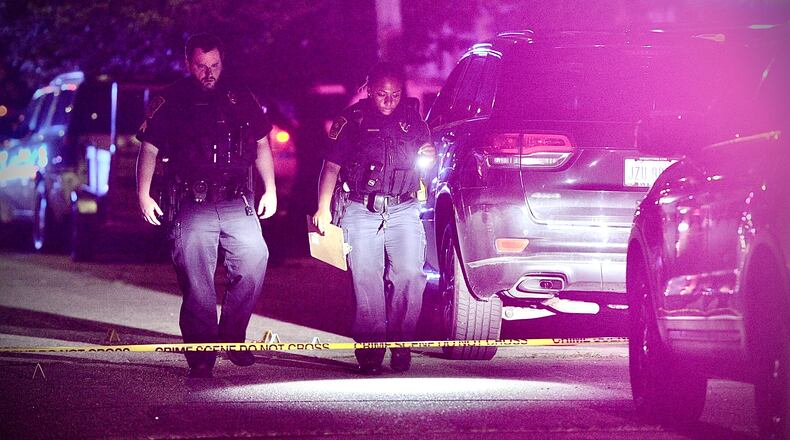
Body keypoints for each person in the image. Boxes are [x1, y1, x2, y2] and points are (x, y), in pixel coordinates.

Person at [135, 33, 277, 378]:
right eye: (201, 66)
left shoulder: (240, 95)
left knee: (255, 258)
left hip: (236, 199)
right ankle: (201, 353)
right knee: (197, 281)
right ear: (188, 64)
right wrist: (143, 194)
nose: (209, 73)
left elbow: (261, 143)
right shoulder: (171, 99)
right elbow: (149, 148)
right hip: (192, 203)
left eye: (214, 65)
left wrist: (270, 189)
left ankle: (232, 335)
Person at [312, 62, 436, 375]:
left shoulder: (413, 119)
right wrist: (323, 208)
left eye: (395, 95)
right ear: (370, 91)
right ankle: (370, 349)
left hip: (403, 208)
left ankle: (401, 343)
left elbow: (427, 157)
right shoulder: (352, 120)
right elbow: (330, 167)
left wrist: (429, 156)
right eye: (382, 94)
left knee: (410, 274)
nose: (389, 101)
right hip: (361, 209)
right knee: (366, 277)